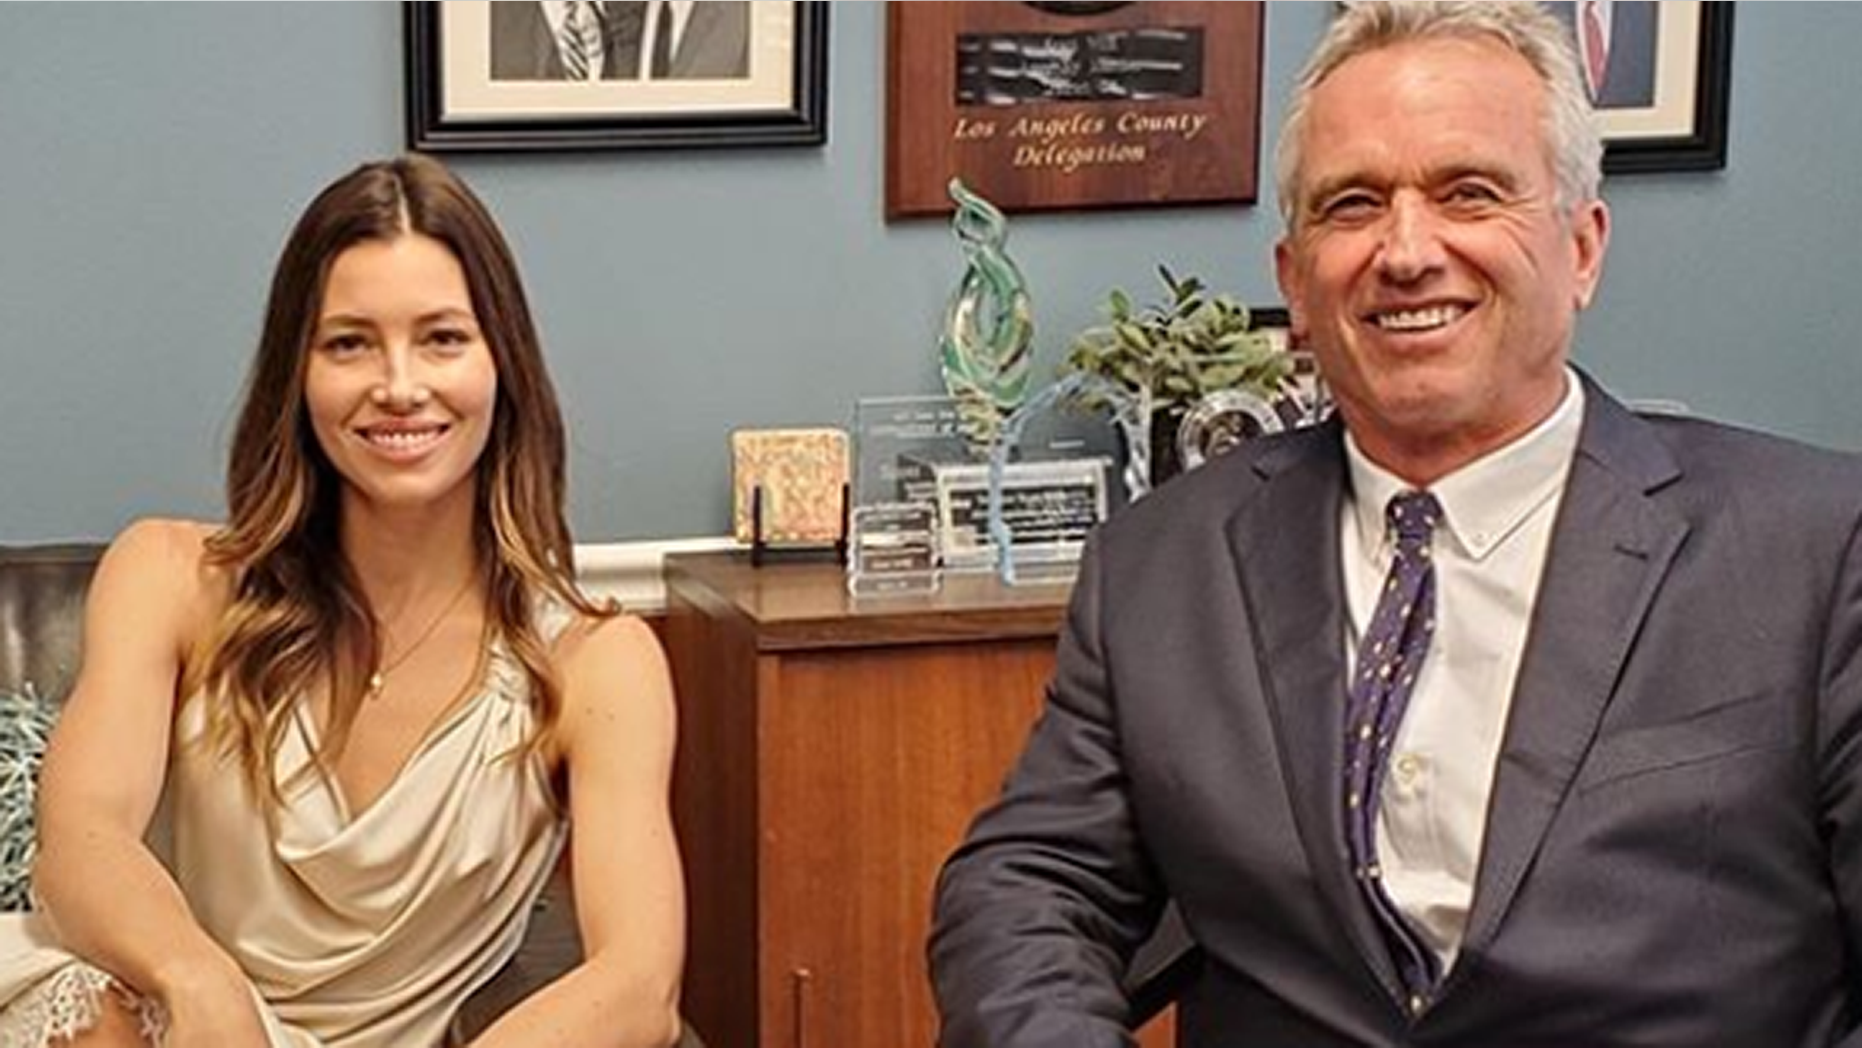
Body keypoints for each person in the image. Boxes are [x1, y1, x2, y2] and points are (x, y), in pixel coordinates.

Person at [930, 3, 1862, 1046]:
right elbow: (1031, 881)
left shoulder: (1815, 551)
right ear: (1294, 282)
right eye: (1352, 204)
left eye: (1468, 191)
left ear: (1581, 246)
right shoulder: (1163, 560)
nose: (1406, 251)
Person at [0, 155, 685, 1047]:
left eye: (442, 338)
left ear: (503, 365)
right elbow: (81, 841)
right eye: (349, 342)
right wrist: (198, 983)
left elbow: (637, 985)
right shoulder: (169, 577)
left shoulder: (599, 666)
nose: (398, 386)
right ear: (299, 373)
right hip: (145, 1018)